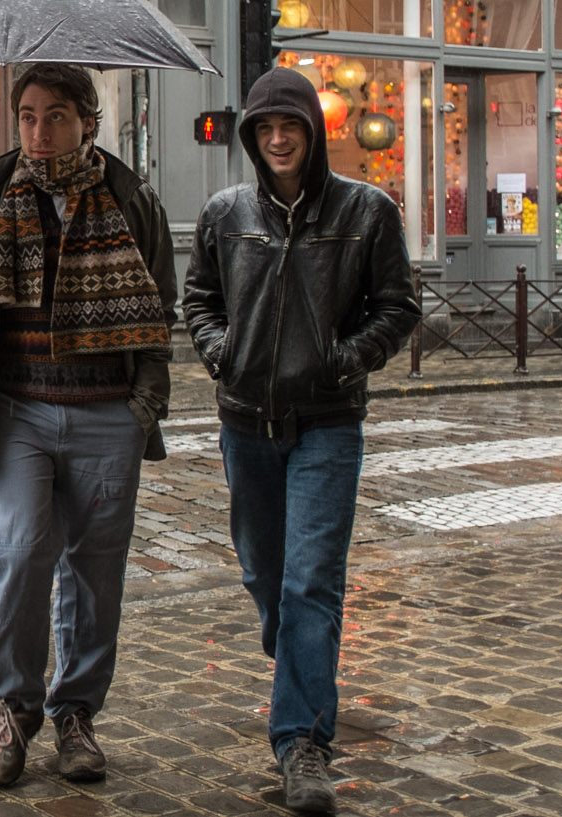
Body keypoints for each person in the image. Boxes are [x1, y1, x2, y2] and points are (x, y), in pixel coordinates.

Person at [0, 63, 178, 788]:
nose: (41, 132)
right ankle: (13, 708)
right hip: (19, 411)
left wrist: (144, 407)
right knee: (19, 552)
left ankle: (76, 714)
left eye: (58, 115)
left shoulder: (130, 196)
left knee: (95, 570)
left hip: (107, 411)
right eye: (29, 116)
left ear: (89, 122)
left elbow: (160, 307)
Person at [181, 66, 418, 814]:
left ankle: (302, 743)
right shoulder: (224, 213)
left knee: (311, 581)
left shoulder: (366, 210)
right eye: (265, 128)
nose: (278, 139)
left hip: (327, 423)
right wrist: (222, 352)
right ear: (251, 137)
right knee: (267, 578)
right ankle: (296, 655)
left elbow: (398, 306)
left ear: (314, 132)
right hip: (245, 420)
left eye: (291, 126)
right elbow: (198, 298)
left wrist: (342, 360)